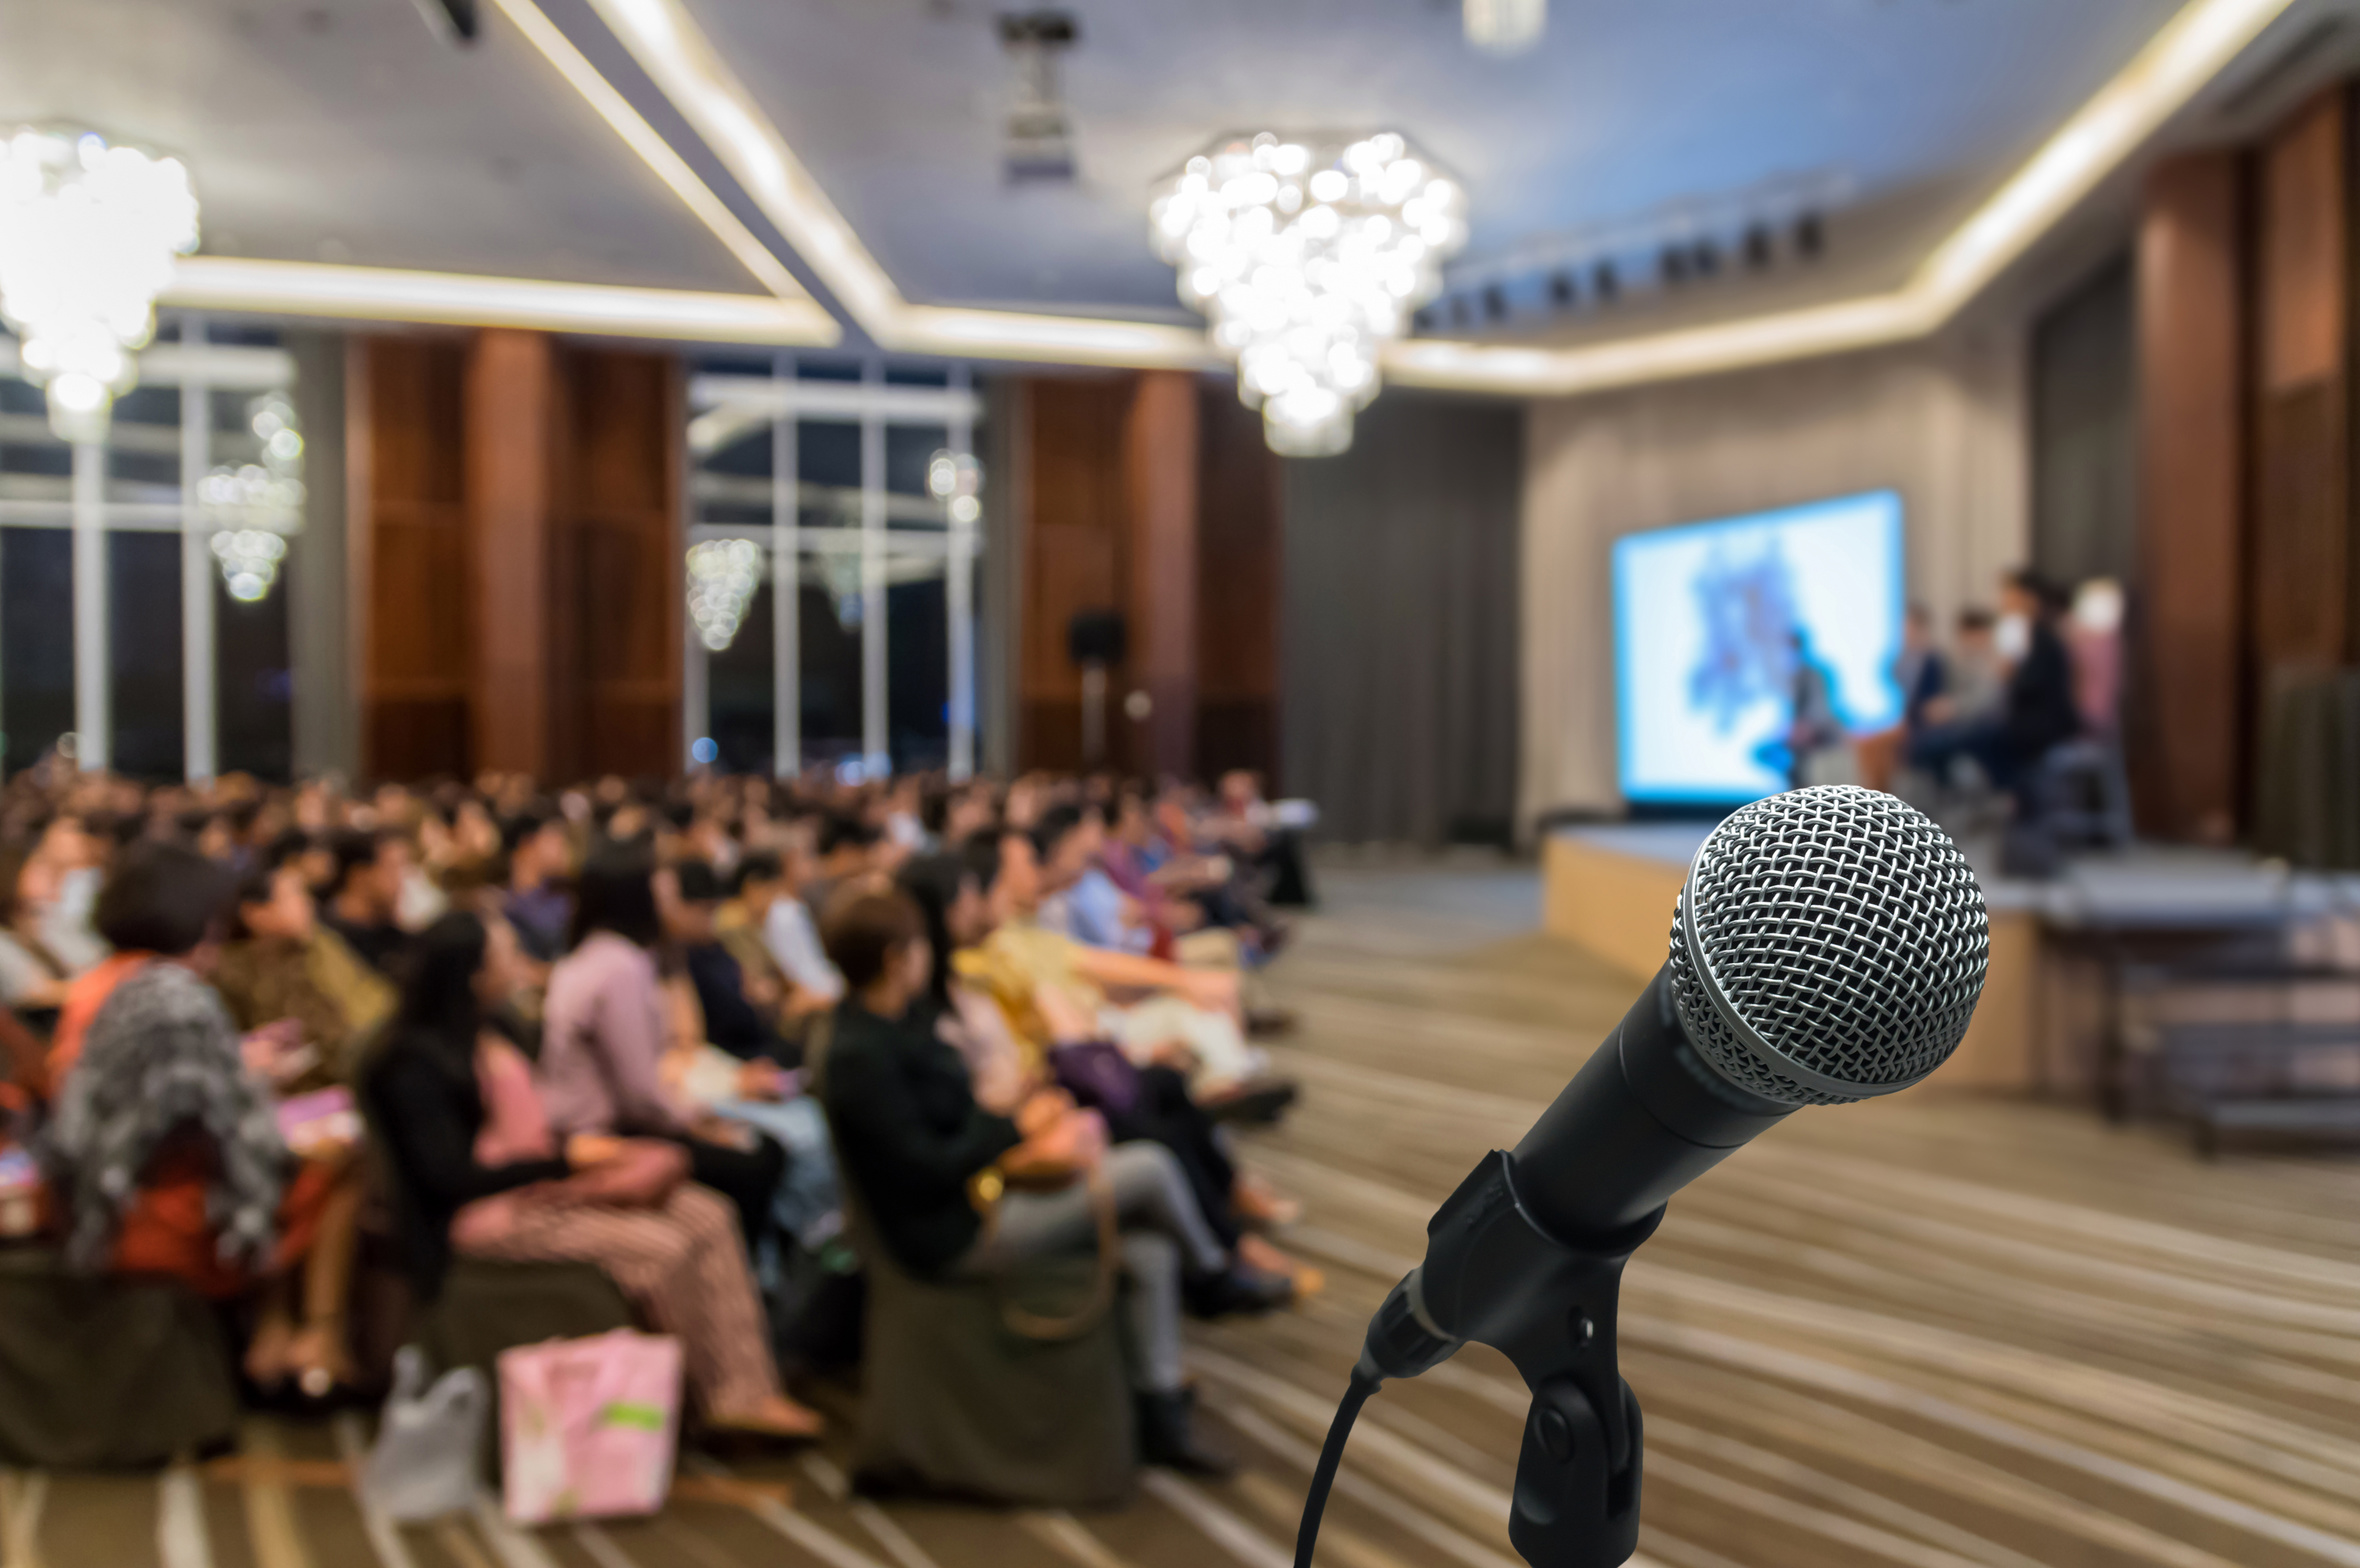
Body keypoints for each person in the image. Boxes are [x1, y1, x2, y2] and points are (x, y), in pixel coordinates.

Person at [814, 885, 1256, 1475]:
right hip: (952, 1233)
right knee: (1149, 1168)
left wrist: (1017, 1116)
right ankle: (1216, 1275)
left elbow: (954, 1121)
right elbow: (926, 1165)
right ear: (898, 957)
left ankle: (1161, 1413)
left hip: (974, 1198)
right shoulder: (860, 1053)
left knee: (1148, 1253)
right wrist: (1014, 1129)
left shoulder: (890, 1023)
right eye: (920, 944)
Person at [364, 911, 822, 1438]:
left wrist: (577, 1159)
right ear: (473, 973)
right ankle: (711, 1396)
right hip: (488, 1216)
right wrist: (567, 1163)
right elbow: (450, 1178)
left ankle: (749, 1385)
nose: (519, 966)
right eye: (506, 955)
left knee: (707, 1213)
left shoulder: (494, 1032)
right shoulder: (413, 1062)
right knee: (662, 1249)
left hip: (534, 1188)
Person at [36, 842, 364, 1396]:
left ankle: (275, 1332)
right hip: (147, 1216)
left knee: (275, 1156)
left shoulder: (99, 982)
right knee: (330, 1161)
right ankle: (314, 1338)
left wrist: (235, 1066)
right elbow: (222, 1132)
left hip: (92, 1197)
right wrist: (249, 1078)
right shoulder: (175, 996)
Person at [539, 842, 787, 1252]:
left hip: (588, 1123)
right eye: (663, 889)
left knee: (753, 1142)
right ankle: (754, 1277)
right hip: (604, 1133)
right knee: (759, 1157)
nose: (669, 900)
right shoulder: (620, 966)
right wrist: (697, 1121)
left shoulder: (587, 954)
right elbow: (641, 1095)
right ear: (636, 896)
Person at [214, 850, 397, 1088]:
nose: (307, 904)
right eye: (294, 897)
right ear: (256, 914)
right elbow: (320, 1041)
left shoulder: (319, 941)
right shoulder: (238, 971)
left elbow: (368, 991)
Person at [321, 828, 413, 975]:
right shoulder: (324, 942)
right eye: (392, 868)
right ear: (359, 877)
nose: (400, 881)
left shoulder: (400, 942)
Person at [500, 811, 574, 965]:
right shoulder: (503, 903)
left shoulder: (564, 898)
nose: (563, 850)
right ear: (527, 844)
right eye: (554, 840)